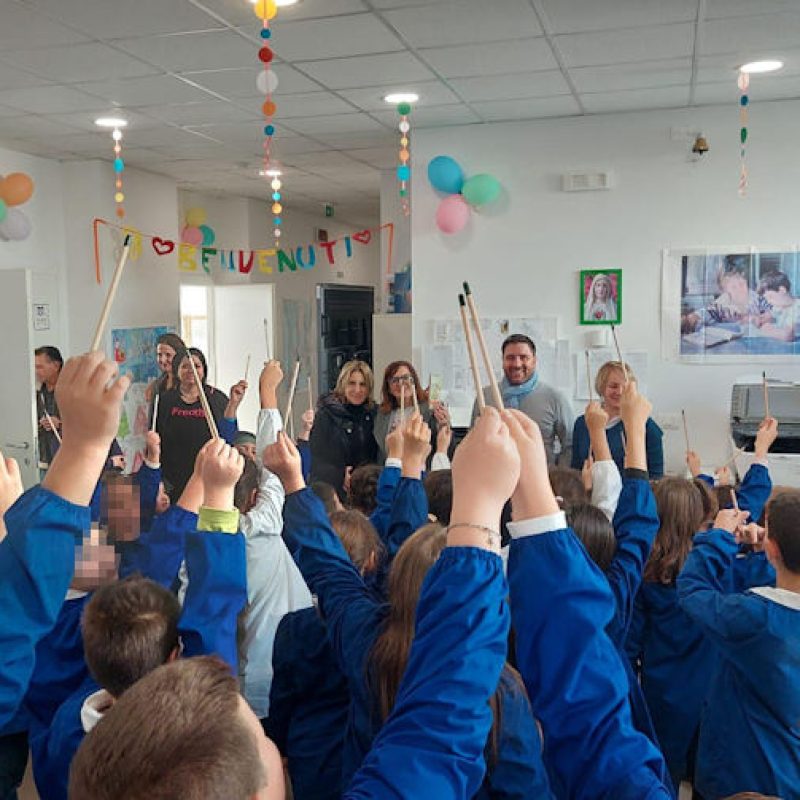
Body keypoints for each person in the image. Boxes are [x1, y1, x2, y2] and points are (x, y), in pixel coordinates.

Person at [677, 491, 800, 799]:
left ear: (772, 547)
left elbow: (692, 591)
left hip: (741, 777)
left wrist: (717, 538)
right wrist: (766, 555)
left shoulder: (755, 617)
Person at [156, 347, 244, 501]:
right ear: (177, 370)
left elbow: (227, 439)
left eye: (196, 366)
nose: (191, 371)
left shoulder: (216, 398)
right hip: (173, 479)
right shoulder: (165, 400)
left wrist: (233, 404)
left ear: (204, 370)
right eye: (185, 366)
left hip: (208, 475)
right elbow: (156, 438)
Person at [471, 334, 574, 465]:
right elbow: (472, 441)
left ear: (534, 360)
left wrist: (557, 477)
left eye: (524, 357)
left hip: (540, 481)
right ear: (502, 361)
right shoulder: (485, 397)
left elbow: (569, 445)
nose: (517, 364)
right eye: (510, 358)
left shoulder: (554, 398)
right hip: (496, 479)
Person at [571, 360, 664, 478]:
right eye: (613, 386)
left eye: (625, 387)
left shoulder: (646, 426)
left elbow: (656, 479)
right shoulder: (583, 423)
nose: (619, 392)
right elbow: (575, 470)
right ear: (602, 387)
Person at [309, 360, 377, 499]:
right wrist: (340, 475)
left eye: (363, 384)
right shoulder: (326, 414)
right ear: (342, 384)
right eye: (352, 383)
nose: (357, 390)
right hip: (333, 492)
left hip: (368, 492)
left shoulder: (375, 414)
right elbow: (316, 459)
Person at [372, 361, 445, 464]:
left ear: (414, 381)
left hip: (421, 471)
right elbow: (381, 450)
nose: (401, 383)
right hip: (393, 469)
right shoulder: (382, 414)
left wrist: (443, 423)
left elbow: (441, 440)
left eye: (406, 378)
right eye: (395, 380)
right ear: (388, 388)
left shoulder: (429, 409)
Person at [681, 258, 771, 333]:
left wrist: (761, 319)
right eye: (733, 287)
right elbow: (706, 312)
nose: (739, 290)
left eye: (741, 284)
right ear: (724, 290)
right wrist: (693, 317)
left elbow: (771, 313)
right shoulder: (723, 303)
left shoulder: (756, 298)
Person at [35, 346, 64, 475]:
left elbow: (87, 423)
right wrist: (39, 424)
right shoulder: (37, 392)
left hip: (65, 460)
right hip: (42, 459)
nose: (36, 371)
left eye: (40, 367)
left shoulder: (72, 391)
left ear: (56, 366)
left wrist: (60, 424)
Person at [757, 269, 799, 341]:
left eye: (771, 297)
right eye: (767, 299)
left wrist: (767, 329)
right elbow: (766, 317)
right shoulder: (779, 307)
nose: (769, 302)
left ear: (782, 290)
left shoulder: (797, 308)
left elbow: (787, 336)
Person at [144, 332, 185, 406]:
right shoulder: (156, 385)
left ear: (179, 356)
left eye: (168, 355)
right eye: (159, 355)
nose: (163, 360)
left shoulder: (188, 384)